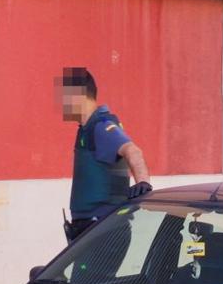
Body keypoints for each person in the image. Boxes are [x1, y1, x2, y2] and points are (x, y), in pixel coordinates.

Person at [58, 68, 152, 241]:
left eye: (65, 97)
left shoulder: (101, 126)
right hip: (91, 229)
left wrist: (143, 182)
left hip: (103, 229)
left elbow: (133, 151)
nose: (61, 104)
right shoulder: (86, 129)